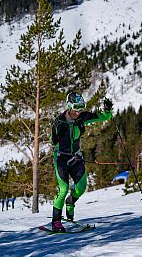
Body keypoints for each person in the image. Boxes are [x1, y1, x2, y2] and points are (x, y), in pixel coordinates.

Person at [50, 92, 113, 232]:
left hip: (76, 157)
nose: (79, 111)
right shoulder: (59, 121)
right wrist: (57, 138)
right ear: (69, 105)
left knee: (81, 187)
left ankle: (70, 202)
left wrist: (108, 109)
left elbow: (106, 117)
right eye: (76, 107)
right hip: (61, 158)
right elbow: (52, 140)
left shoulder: (82, 117)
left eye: (81, 107)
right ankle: (56, 221)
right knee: (63, 189)